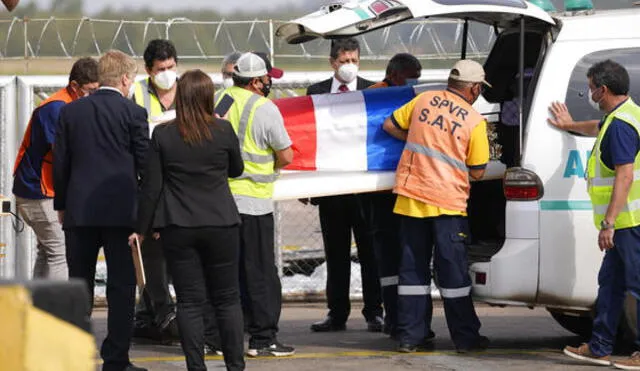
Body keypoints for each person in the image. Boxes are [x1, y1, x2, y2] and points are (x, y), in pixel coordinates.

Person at [132, 69, 245, 371]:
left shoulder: (165, 134)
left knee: (190, 302)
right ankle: (236, 365)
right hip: (221, 221)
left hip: (179, 225)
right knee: (227, 299)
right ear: (209, 97)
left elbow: (151, 186)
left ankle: (196, 366)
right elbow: (236, 169)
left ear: (180, 97)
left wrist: (141, 229)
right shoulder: (223, 131)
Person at [382, 59, 491, 353]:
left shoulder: (423, 100)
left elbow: (389, 124)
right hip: (447, 205)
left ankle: (410, 336)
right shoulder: (473, 119)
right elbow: (479, 170)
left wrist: (414, 140)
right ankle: (466, 339)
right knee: (453, 276)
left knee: (412, 274)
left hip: (411, 199)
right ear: (475, 88)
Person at [53, 50, 149, 371]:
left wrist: (62, 205)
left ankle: (74, 356)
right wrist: (145, 213)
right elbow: (144, 165)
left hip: (79, 211)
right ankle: (116, 359)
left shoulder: (71, 112)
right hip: (121, 213)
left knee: (78, 285)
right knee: (121, 287)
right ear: (124, 79)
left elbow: (61, 163)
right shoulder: (133, 113)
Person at [549, 59, 640, 370]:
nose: (588, 94)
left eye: (590, 89)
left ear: (603, 90)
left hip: (629, 221)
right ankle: (599, 346)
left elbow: (624, 176)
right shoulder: (625, 115)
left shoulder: (621, 127)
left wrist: (609, 223)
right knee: (611, 283)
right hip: (625, 222)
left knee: (636, 285)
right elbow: (596, 127)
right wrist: (569, 125)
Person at [217, 51, 295, 357]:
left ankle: (226, 337)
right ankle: (263, 338)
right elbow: (286, 154)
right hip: (255, 203)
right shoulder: (265, 109)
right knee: (260, 272)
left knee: (229, 273)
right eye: (266, 79)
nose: (268, 84)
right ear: (255, 81)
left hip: (222, 202)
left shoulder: (220, 101)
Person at [306, 38, 384, 333]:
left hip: (364, 189)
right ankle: (336, 313)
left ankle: (374, 311)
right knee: (336, 254)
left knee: (370, 254)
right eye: (343, 61)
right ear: (332, 62)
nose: (349, 66)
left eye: (354, 60)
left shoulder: (373, 90)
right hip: (332, 190)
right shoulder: (316, 93)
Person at [13, 57, 98, 280]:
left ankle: (37, 307)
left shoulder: (68, 106)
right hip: (39, 192)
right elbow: (65, 151)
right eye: (91, 90)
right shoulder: (56, 108)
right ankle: (57, 310)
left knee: (47, 251)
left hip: (38, 191)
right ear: (75, 87)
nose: (94, 95)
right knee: (60, 252)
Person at [363, 52, 424, 338]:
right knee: (388, 258)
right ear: (395, 74)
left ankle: (407, 320)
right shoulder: (372, 97)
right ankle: (393, 318)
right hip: (382, 191)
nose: (416, 81)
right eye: (412, 75)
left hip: (408, 185)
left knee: (408, 257)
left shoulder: (416, 97)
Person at [130, 38, 181, 345]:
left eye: (171, 67)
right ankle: (156, 314)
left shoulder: (187, 90)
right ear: (148, 70)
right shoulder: (137, 93)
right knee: (152, 259)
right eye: (161, 69)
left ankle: (165, 315)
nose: (167, 73)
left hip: (180, 184)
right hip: (148, 183)